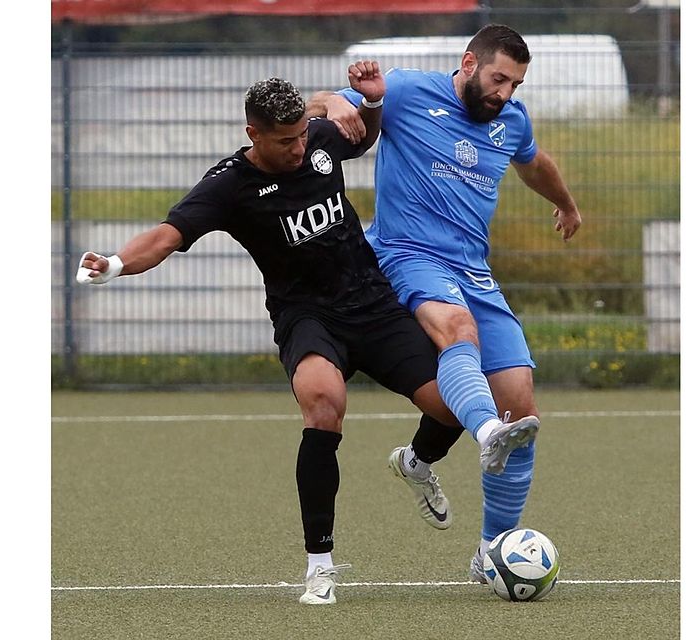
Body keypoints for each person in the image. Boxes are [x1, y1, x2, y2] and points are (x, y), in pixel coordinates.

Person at [75, 66, 486, 606]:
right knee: (323, 403)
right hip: (307, 316)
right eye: (284, 141)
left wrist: (370, 103)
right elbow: (166, 236)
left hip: (373, 303)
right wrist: (115, 263)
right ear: (254, 135)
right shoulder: (228, 186)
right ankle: (320, 565)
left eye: (301, 135)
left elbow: (365, 132)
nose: (298, 148)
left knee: (452, 408)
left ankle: (416, 462)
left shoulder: (316, 138)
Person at [307, 24, 583, 583]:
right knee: (456, 329)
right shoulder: (409, 90)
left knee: (522, 411)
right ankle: (484, 435)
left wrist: (567, 205)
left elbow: (534, 163)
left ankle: (488, 553)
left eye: (516, 83)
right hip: (406, 254)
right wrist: (339, 103)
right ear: (469, 63)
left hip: (474, 270)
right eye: (499, 78)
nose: (505, 93)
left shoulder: (512, 119)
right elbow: (324, 101)